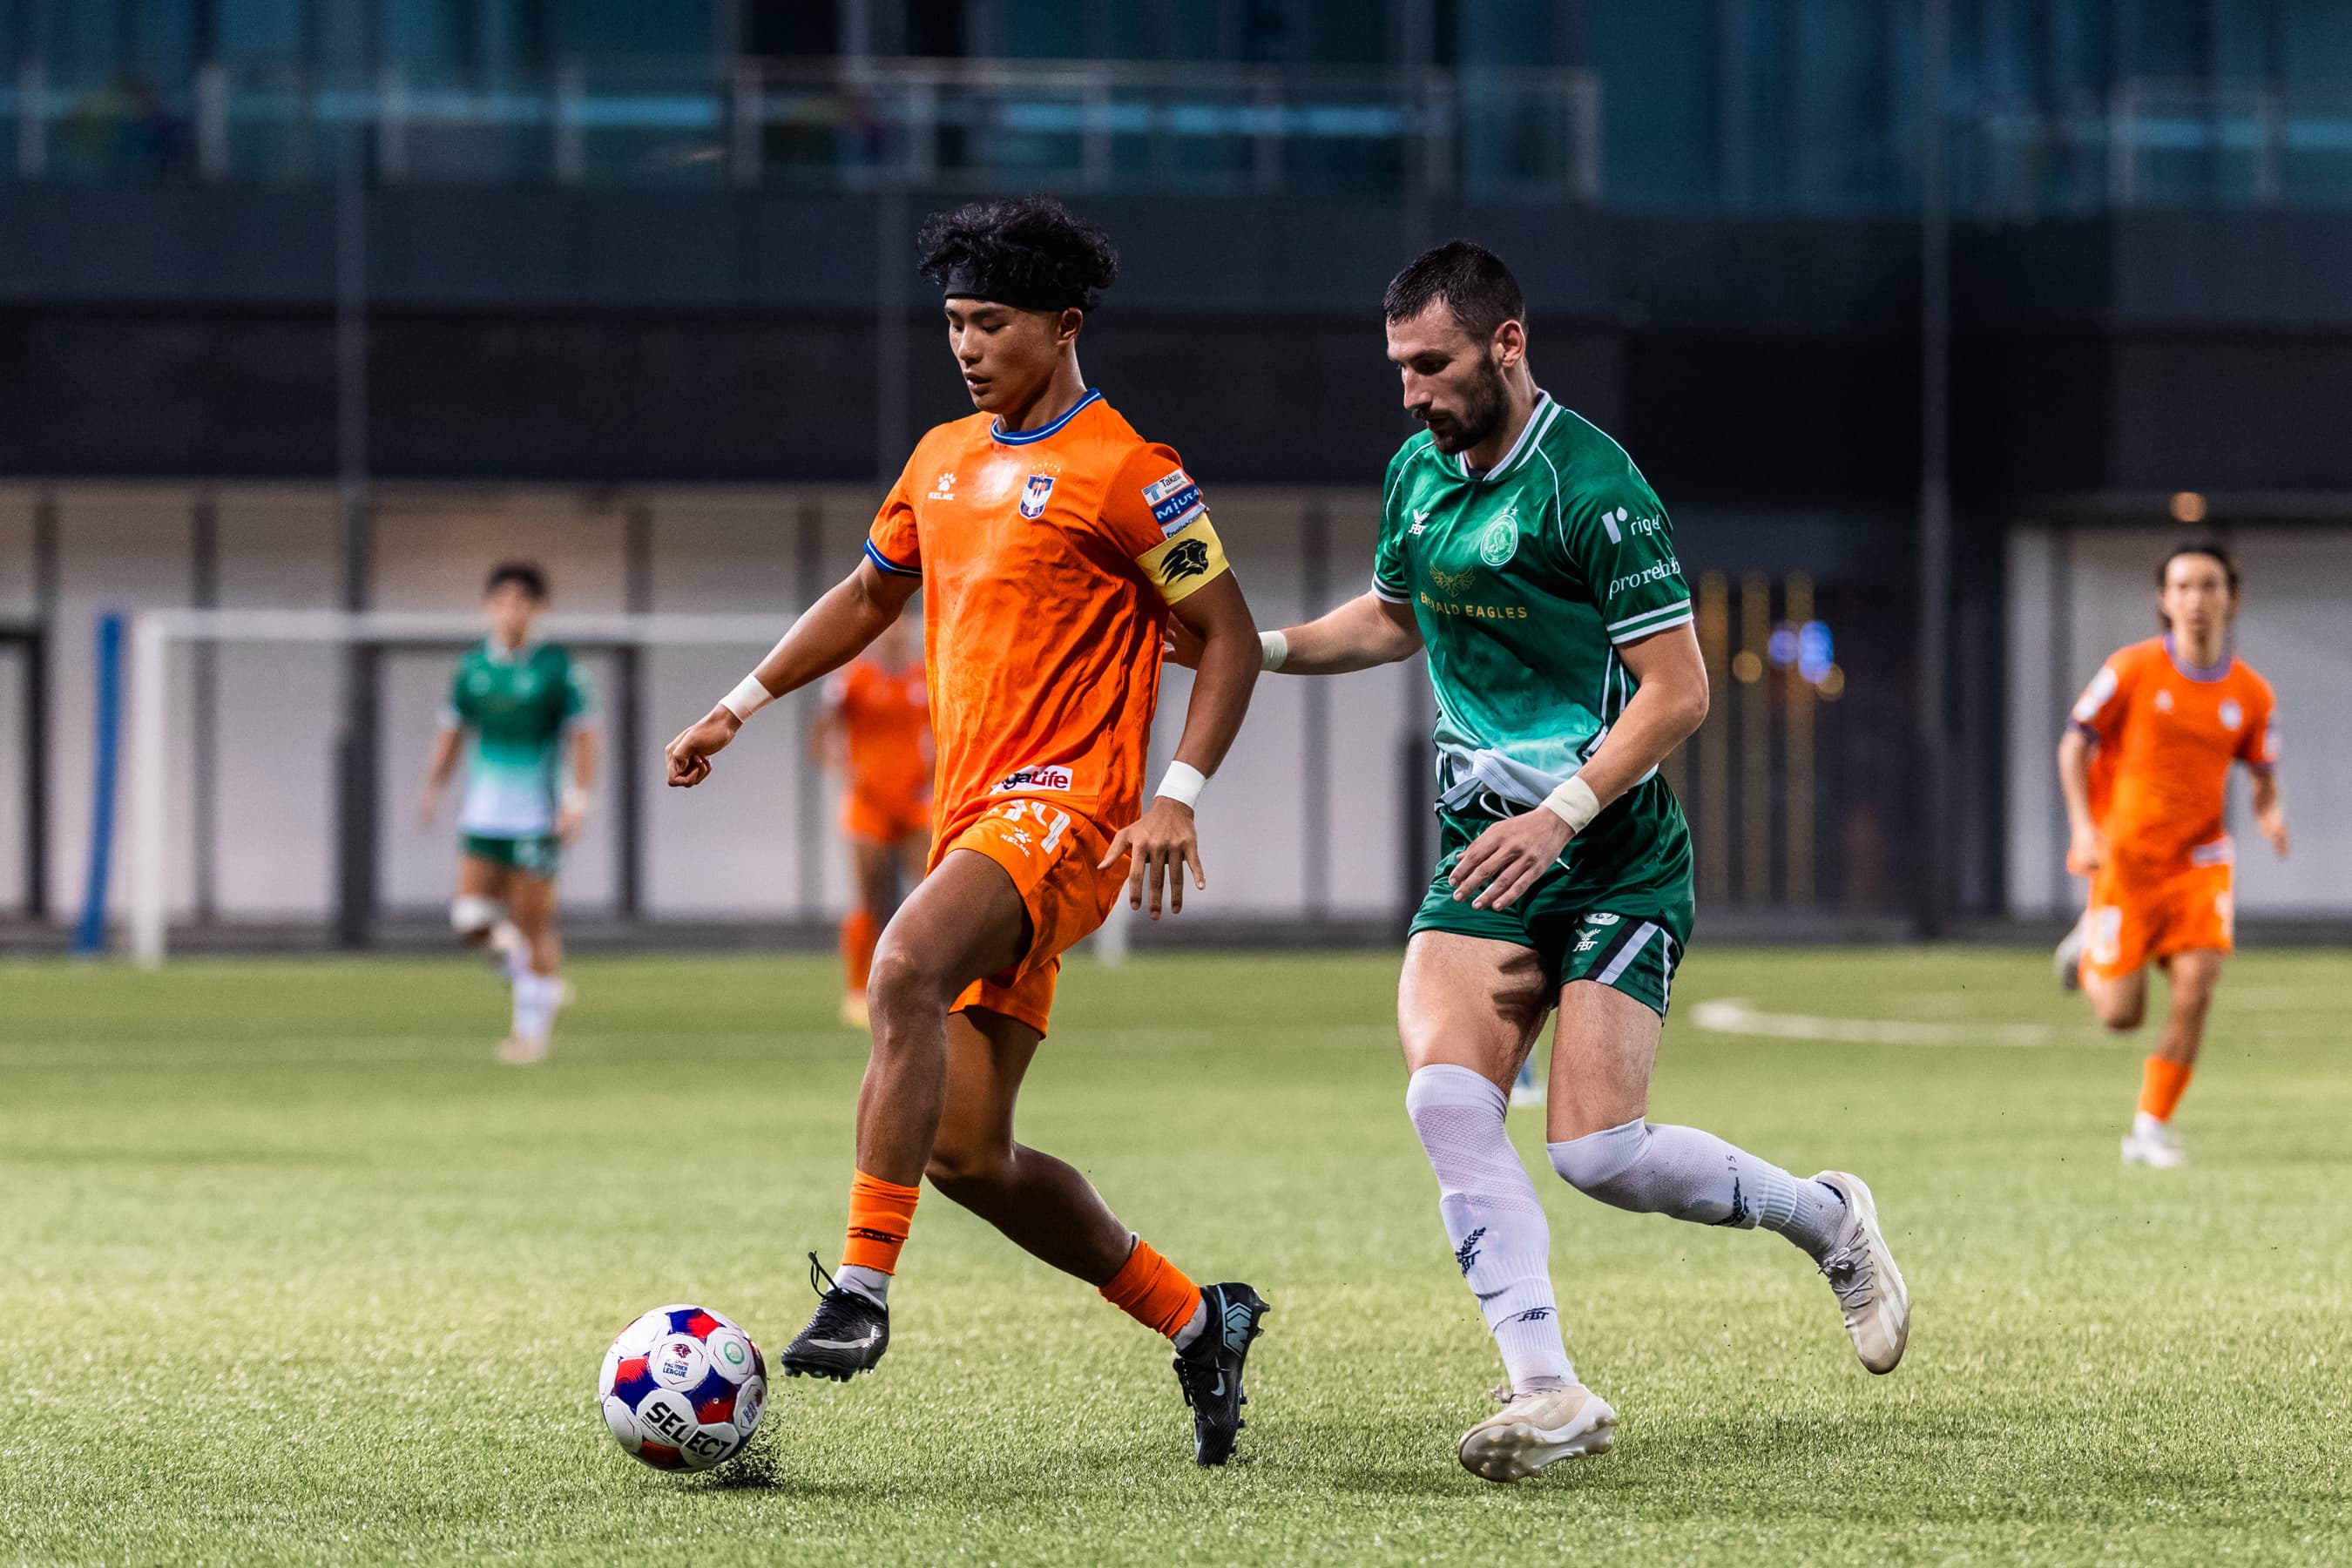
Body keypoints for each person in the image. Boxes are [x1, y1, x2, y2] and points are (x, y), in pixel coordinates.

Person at [1208, 240, 1909, 1482]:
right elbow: (1392, 613)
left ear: (1508, 344)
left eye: (1433, 365)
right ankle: (1547, 1388)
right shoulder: (1416, 473)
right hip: (1482, 858)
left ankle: (1830, 1219)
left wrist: (1566, 813)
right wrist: (1245, 650)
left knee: (1597, 1154)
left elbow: (1680, 691)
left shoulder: (1598, 488)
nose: (1413, 393)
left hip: (1614, 856)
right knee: (1444, 1099)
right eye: (1399, 370)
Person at [664, 198, 1272, 1465]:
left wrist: (1179, 792)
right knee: (967, 1153)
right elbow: (867, 594)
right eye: (952, 322)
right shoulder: (940, 459)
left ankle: (862, 1292)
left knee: (900, 964)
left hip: (1068, 813)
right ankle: (1196, 1318)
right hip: (975, 825)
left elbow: (1225, 639)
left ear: (1064, 324)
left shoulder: (1134, 473)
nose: (966, 344)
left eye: (990, 323)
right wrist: (739, 706)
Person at [2052, 542, 2286, 1168]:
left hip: (2201, 862)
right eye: (2183, 587)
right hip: (2127, 862)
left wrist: (2271, 813)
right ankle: (2089, 951)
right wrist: (2082, 827)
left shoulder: (2252, 694)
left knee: (2197, 986)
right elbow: (2074, 744)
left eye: (2209, 586)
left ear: (2231, 599)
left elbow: (2261, 770)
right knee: (2122, 1017)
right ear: (2164, 600)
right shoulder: (2130, 670)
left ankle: (2149, 1128)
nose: (2196, 599)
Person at [417, 561, 595, 1065]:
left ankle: (529, 1034)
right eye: (502, 601)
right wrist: (433, 786)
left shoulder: (557, 669)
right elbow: (452, 732)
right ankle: (537, 980)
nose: (511, 611)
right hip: (483, 815)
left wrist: (577, 801)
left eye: (522, 602)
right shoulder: (472, 668)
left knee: (533, 925)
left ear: (539, 610)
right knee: (471, 919)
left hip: (535, 816)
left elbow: (584, 738)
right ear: (488, 606)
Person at [813, 610, 933, 1030]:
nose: (896, 635)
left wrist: (934, 771)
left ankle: (934, 983)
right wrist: (843, 766)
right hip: (868, 804)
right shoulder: (854, 679)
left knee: (931, 896)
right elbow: (823, 730)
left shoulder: (925, 678)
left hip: (914, 803)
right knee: (867, 898)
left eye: (902, 627)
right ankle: (854, 991)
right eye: (890, 628)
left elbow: (943, 734)